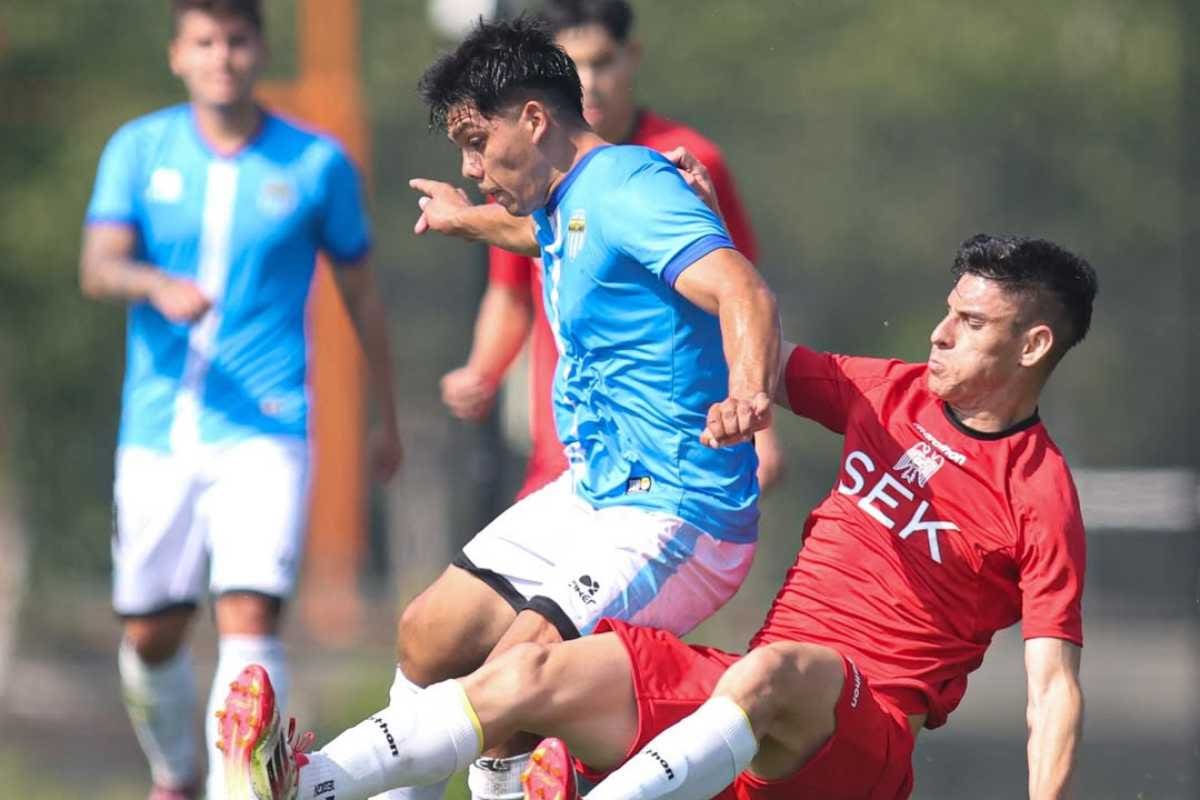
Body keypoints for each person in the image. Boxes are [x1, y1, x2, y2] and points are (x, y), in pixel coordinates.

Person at [220, 231, 1097, 800]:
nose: (940, 333)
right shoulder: (890, 392)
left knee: (780, 668)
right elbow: (752, 349)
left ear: (1031, 346)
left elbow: (1052, 691)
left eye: (972, 322)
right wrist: (690, 241)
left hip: (859, 742)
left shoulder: (1042, 494)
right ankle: (307, 783)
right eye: (947, 311)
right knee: (531, 671)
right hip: (742, 709)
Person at [221, 15, 781, 800]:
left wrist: (748, 392)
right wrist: (462, 220)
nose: (470, 163)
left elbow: (741, 287)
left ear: (534, 118)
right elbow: (547, 233)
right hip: (593, 493)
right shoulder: (570, 199)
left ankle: (309, 783)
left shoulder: (629, 185)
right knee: (429, 631)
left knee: (520, 670)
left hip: (680, 508)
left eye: (475, 141)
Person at [78, 2, 402, 798]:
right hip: (158, 429)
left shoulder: (316, 164)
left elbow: (362, 297)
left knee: (249, 621)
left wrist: (385, 415)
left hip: (268, 425)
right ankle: (176, 771)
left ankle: (242, 790)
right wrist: (154, 283)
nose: (222, 56)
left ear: (259, 51)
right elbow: (99, 265)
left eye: (236, 41)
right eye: (205, 42)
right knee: (151, 632)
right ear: (178, 55)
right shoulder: (139, 149)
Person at [440, 0, 785, 500]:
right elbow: (511, 290)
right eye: (571, 65)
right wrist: (482, 370)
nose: (588, 82)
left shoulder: (677, 162)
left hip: (662, 467)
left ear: (632, 55)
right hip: (568, 454)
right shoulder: (525, 174)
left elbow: (737, 289)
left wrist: (756, 415)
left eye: (601, 61)